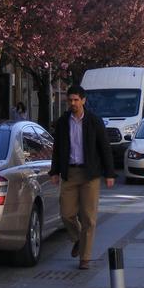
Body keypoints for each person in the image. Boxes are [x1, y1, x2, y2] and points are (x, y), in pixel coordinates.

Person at [49, 84, 116, 270]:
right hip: (69, 173)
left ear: (83, 100)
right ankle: (78, 239)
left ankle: (85, 257)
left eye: (76, 100)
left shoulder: (94, 121)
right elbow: (57, 149)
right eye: (70, 100)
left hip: (90, 174)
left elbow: (104, 148)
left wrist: (109, 173)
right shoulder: (63, 122)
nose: (73, 103)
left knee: (89, 217)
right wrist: (54, 171)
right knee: (66, 214)